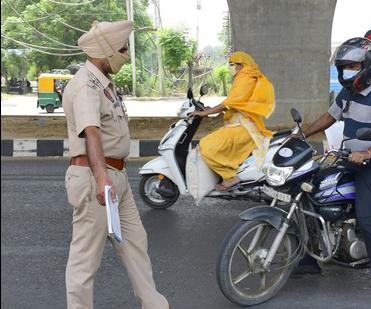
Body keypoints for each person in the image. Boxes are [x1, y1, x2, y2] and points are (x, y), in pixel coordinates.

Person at [299, 37, 371, 309]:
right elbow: (330, 116)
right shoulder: (349, 90)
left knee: (366, 217)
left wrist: (369, 153)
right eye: (343, 67)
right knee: (309, 191)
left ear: (368, 66)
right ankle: (310, 259)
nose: (346, 72)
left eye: (352, 66)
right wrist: (302, 133)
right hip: (350, 158)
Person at [63, 20, 169, 308]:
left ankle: (154, 304)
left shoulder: (104, 83)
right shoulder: (86, 84)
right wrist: (101, 179)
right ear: (107, 52)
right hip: (96, 177)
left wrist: (111, 178)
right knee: (85, 261)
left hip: (116, 177)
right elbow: (91, 133)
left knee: (136, 244)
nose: (126, 55)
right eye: (123, 49)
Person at [190, 51, 275, 191]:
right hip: (241, 126)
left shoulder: (246, 78)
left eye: (231, 64)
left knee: (206, 145)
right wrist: (210, 110)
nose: (229, 67)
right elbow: (238, 105)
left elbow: (230, 103)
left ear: (240, 65)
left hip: (244, 128)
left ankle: (230, 177)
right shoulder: (247, 77)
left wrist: (205, 113)